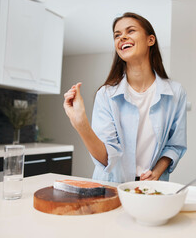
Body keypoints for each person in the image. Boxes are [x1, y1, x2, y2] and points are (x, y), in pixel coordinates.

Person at [63, 12, 187, 183]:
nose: (122, 38)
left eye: (130, 31)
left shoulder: (175, 92)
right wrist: (80, 123)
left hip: (152, 189)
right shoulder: (106, 94)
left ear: (150, 40)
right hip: (110, 187)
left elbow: (175, 145)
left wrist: (156, 173)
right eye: (117, 35)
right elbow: (107, 158)